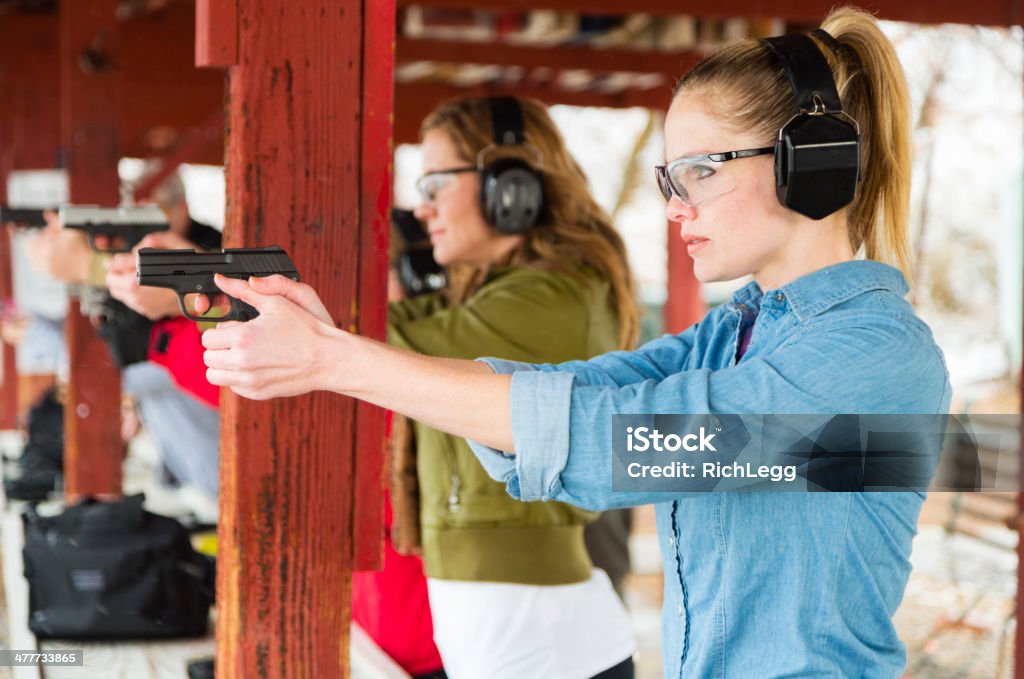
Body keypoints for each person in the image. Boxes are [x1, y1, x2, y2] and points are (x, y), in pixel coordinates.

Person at [201, 7, 951, 676]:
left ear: (809, 162)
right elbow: (574, 392)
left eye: (698, 171)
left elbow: (619, 441)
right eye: (669, 179)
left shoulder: (875, 358)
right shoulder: (736, 332)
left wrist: (334, 358)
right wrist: (332, 341)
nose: (676, 207)